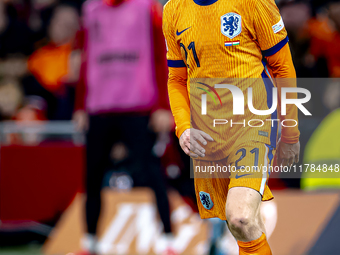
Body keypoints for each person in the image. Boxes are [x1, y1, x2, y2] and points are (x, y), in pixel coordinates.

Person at [163, 0, 300, 254]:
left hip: (252, 123)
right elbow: (177, 79)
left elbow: (282, 66)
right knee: (243, 228)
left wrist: (290, 132)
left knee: (240, 217)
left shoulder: (253, 2)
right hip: (207, 134)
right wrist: (183, 127)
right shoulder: (173, 9)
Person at [73, 0, 175, 254]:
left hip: (138, 105)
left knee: (152, 173)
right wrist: (80, 104)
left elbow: (162, 56)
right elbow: (86, 58)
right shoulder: (91, 9)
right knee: (92, 178)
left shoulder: (147, 7)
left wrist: (164, 104)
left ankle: (168, 239)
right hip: (99, 106)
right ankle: (90, 242)